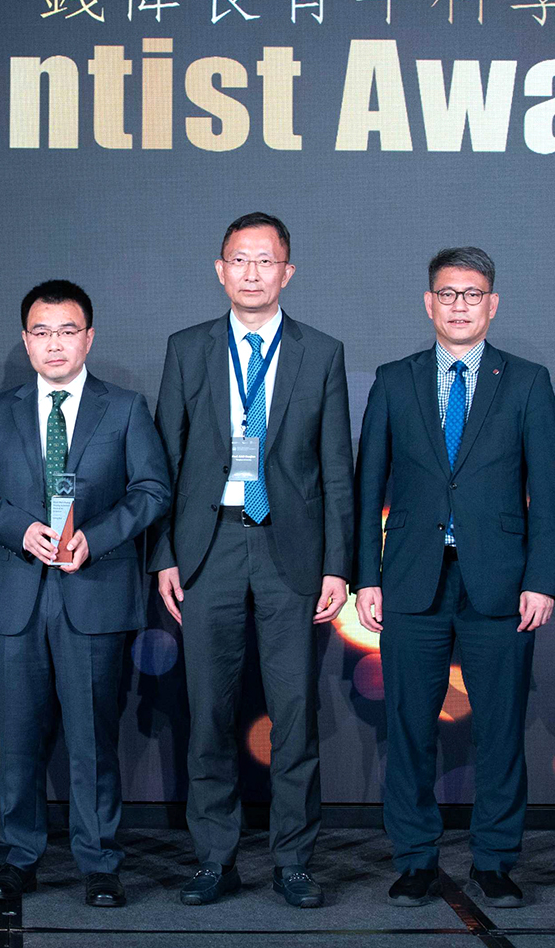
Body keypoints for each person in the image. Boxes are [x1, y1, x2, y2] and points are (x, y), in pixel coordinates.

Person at [151, 212, 354, 909]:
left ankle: (294, 859)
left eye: (266, 261)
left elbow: (336, 469)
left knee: (294, 712)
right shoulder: (188, 348)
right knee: (207, 712)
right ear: (220, 269)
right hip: (207, 546)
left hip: (287, 548)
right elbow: (165, 462)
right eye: (240, 260)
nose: (253, 272)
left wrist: (337, 563)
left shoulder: (320, 352)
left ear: (287, 272)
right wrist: (165, 554)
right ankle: (214, 858)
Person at [353, 247, 555, 909]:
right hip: (412, 580)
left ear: (492, 304)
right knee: (409, 728)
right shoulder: (394, 380)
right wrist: (368, 577)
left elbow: (551, 494)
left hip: (500, 583)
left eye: (472, 294)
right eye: (447, 294)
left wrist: (543, 580)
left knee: (501, 729)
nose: (460, 305)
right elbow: (367, 491)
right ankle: (416, 859)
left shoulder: (526, 382)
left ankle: (496, 861)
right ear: (428, 303)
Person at [0, 280, 172, 908]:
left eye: (67, 330)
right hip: (17, 593)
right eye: (42, 332)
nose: (55, 343)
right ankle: (17, 855)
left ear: (89, 337)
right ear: (25, 341)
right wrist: (21, 530)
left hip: (94, 589)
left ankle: (99, 861)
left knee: (92, 739)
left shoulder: (126, 408)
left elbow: (152, 490)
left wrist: (97, 539)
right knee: (16, 738)